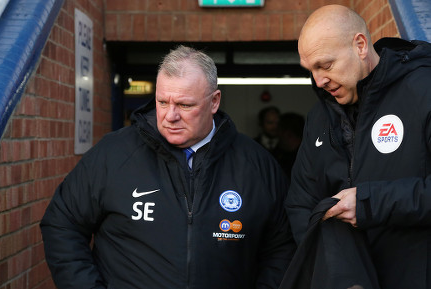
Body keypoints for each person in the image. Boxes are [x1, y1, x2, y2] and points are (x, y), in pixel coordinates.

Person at [40, 45, 295, 289]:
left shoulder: (256, 165)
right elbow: (62, 223)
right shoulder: (113, 154)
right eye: (163, 102)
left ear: (214, 101)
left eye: (185, 105)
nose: (170, 116)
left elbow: (281, 247)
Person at [285, 4, 431, 289]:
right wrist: (338, 271)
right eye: (311, 69)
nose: (318, 80)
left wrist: (369, 204)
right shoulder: (319, 117)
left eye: (325, 65)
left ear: (361, 45)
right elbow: (300, 204)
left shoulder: (423, 91)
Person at [274, 112, 305, 179]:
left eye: (278, 129)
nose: (276, 134)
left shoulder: (306, 158)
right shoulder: (277, 153)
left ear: (287, 133)